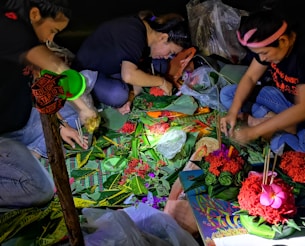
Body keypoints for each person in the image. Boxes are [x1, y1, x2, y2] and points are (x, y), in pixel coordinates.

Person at [0, 0, 98, 209]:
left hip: (20, 121)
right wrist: (84, 108)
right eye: (52, 30)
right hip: (4, 136)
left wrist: (62, 125)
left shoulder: (26, 44)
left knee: (73, 121)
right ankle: (23, 158)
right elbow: (57, 68)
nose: (50, 39)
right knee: (40, 189)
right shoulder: (9, 28)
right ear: (35, 14)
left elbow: (44, 83)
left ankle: (29, 153)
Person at [219, 9, 305, 156]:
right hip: (286, 101)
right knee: (228, 94)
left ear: (283, 41)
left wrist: (254, 132)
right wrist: (232, 112)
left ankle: (272, 124)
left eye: (264, 53)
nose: (262, 59)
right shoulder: (268, 45)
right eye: (258, 54)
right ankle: (273, 121)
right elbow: (250, 77)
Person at [72, 10, 191, 115]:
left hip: (111, 68)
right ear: (163, 38)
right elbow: (129, 75)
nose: (167, 57)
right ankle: (99, 98)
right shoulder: (133, 33)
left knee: (160, 65)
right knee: (118, 95)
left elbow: (135, 72)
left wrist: (131, 98)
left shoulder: (146, 35)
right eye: (170, 51)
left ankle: (121, 95)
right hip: (87, 74)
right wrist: (161, 82)